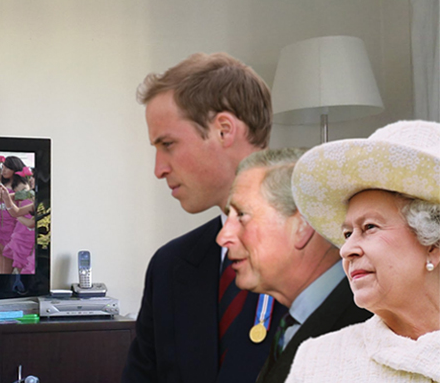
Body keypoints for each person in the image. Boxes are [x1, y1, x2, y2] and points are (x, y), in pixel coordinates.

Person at [123, 52, 285, 383]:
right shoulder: (169, 267)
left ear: (224, 130)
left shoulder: (334, 259)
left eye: (167, 144)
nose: (159, 169)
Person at [286, 120, 440, 382]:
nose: (346, 250)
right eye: (347, 234)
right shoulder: (318, 362)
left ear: (433, 245)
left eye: (369, 227)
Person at [216, 148, 371, 383]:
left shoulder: (365, 329)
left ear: (303, 226)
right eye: (229, 215)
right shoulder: (297, 320)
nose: (223, 236)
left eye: (242, 216)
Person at [0, 177, 36, 274]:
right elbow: (17, 211)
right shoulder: (28, 193)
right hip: (20, 233)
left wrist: (16, 216)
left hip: (31, 238)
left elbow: (30, 223)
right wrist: (6, 198)